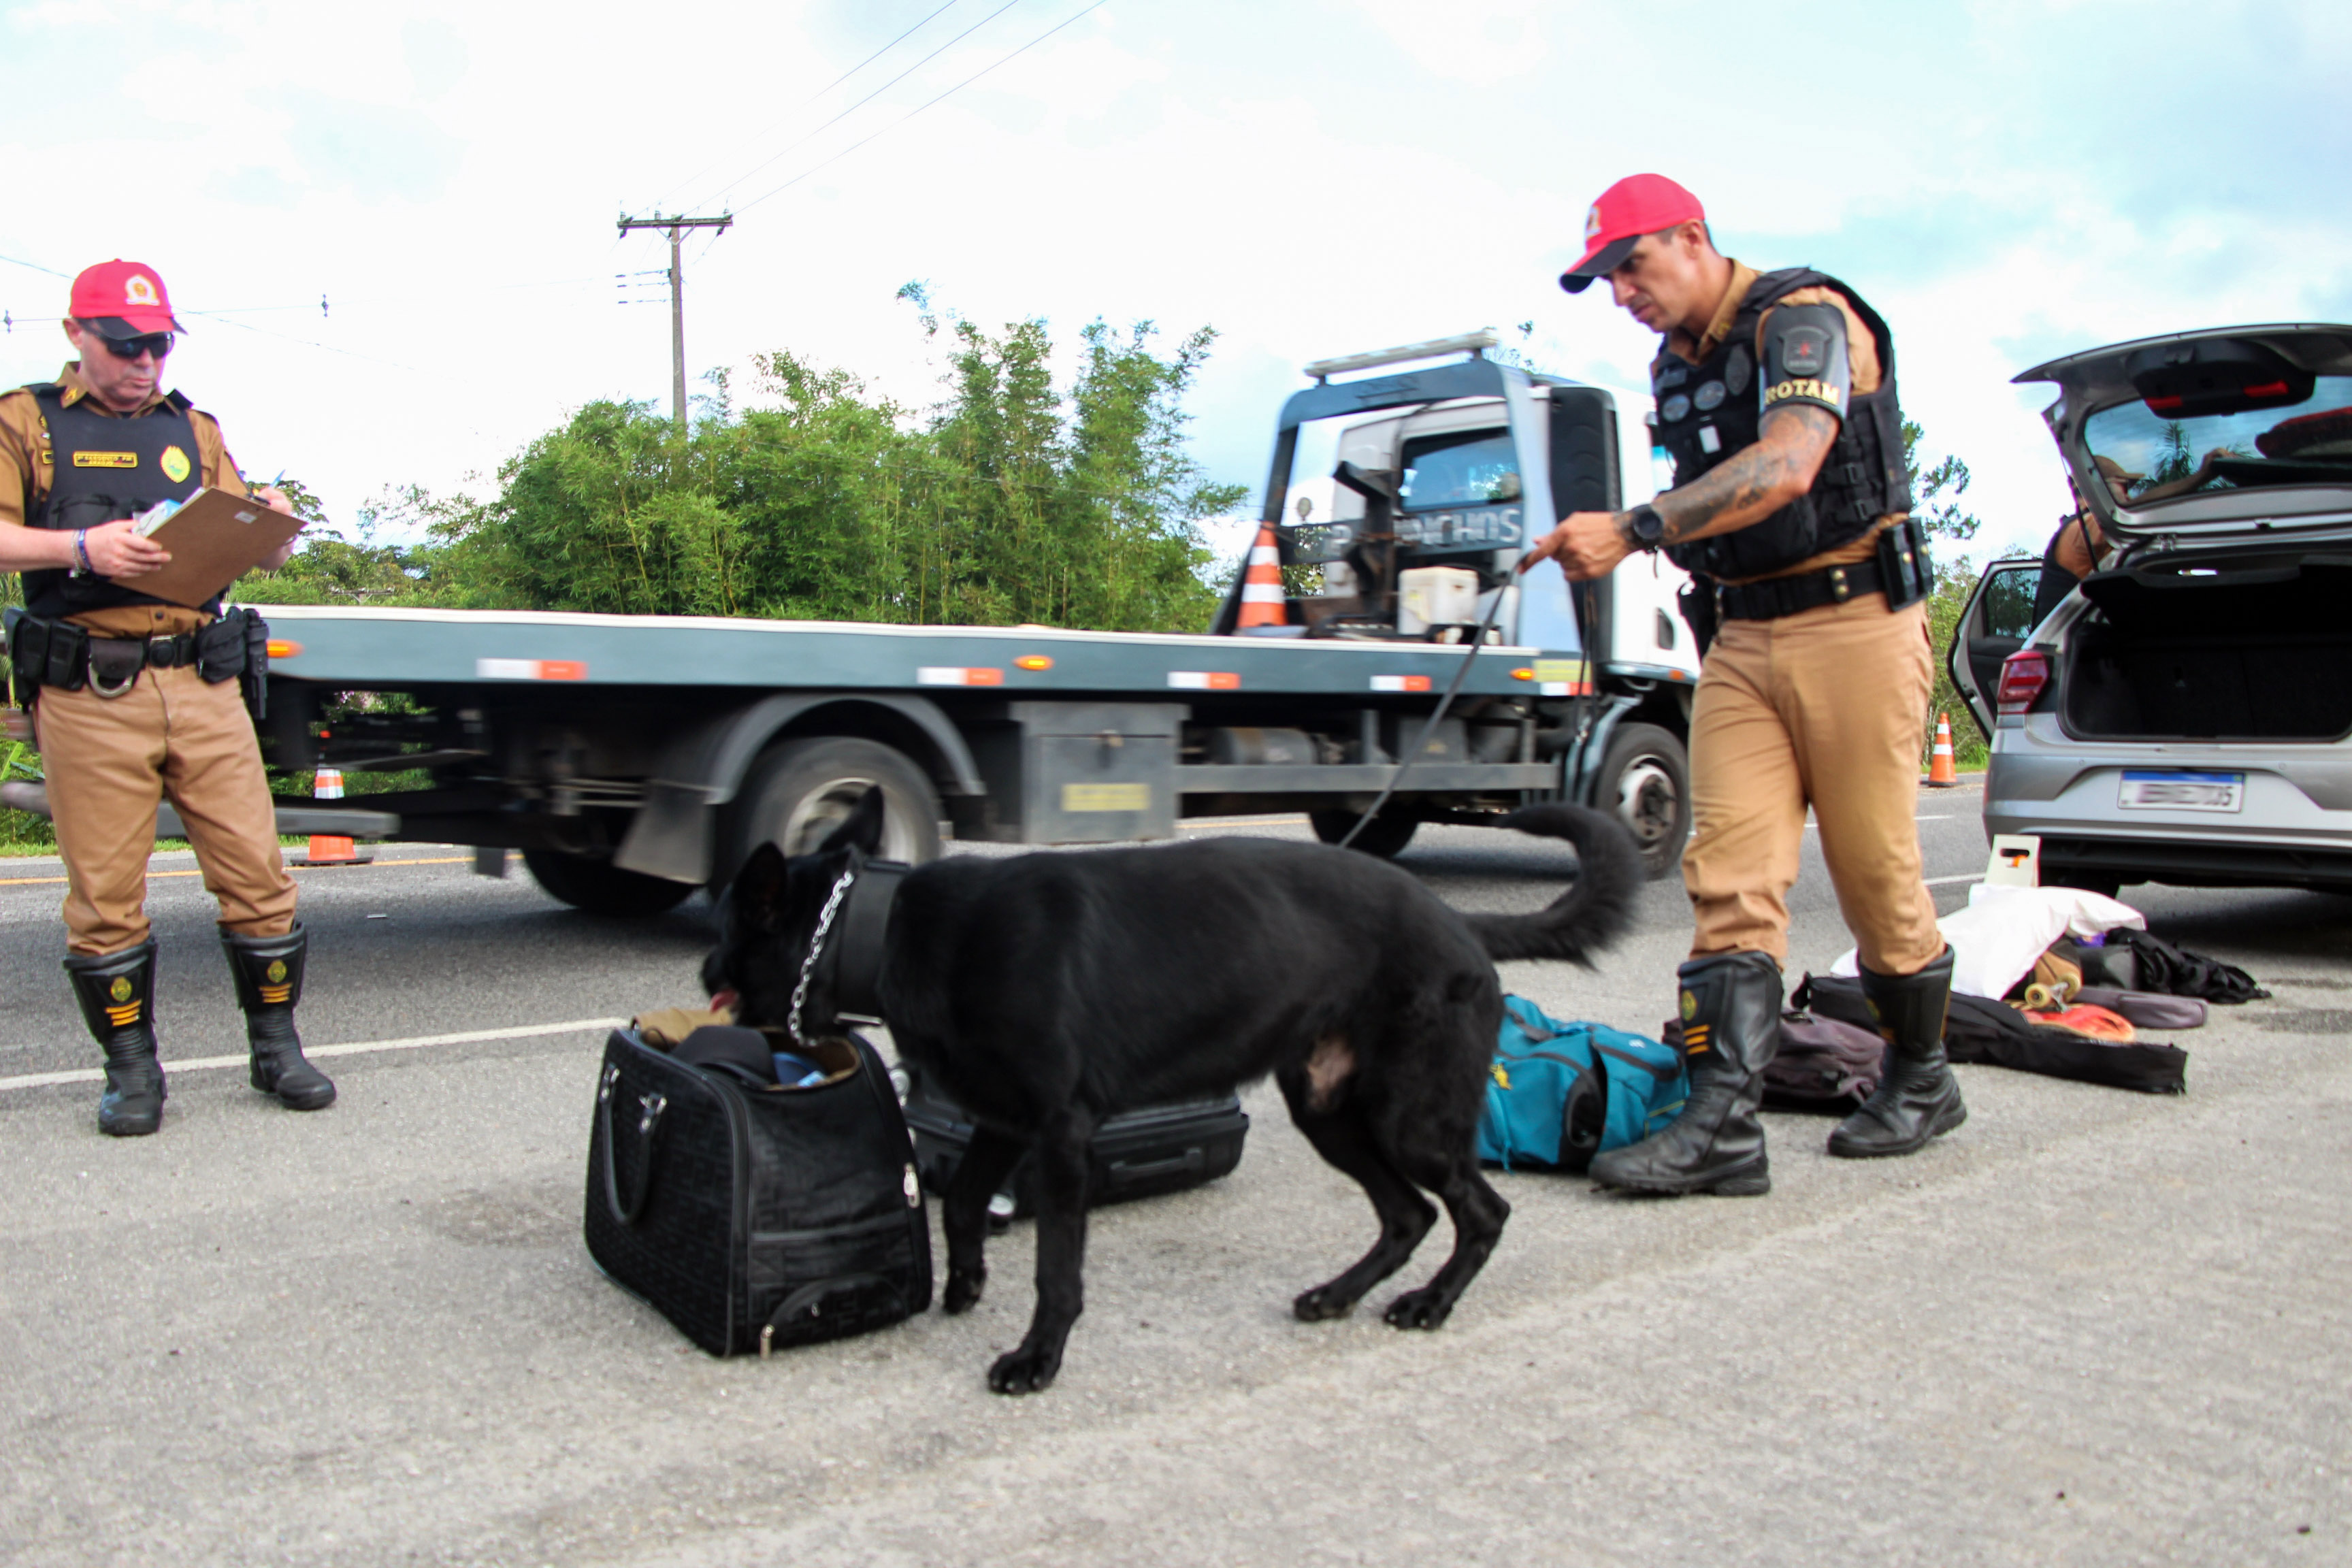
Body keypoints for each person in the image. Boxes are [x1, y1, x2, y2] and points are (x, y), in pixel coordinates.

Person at [1522, 175, 1959, 1195]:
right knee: (1728, 876)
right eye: (1605, 277)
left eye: (1634, 264)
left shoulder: (1805, 319)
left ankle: (1925, 1077)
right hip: (1744, 640)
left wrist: (1635, 528)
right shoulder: (1677, 366)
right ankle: (1722, 1124)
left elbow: (1791, 464)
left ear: (1693, 237)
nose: (1623, 291)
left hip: (1854, 619)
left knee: (1873, 873)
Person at [0, 259, 331, 1137]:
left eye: (158, 344)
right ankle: (132, 1072)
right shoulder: (26, 423)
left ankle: (276, 1049)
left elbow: (256, 550)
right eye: (126, 345)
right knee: (107, 896)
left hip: (203, 676)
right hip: (92, 685)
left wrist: (270, 524)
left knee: (259, 875)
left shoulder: (195, 426)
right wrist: (81, 548)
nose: (145, 361)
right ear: (77, 335)